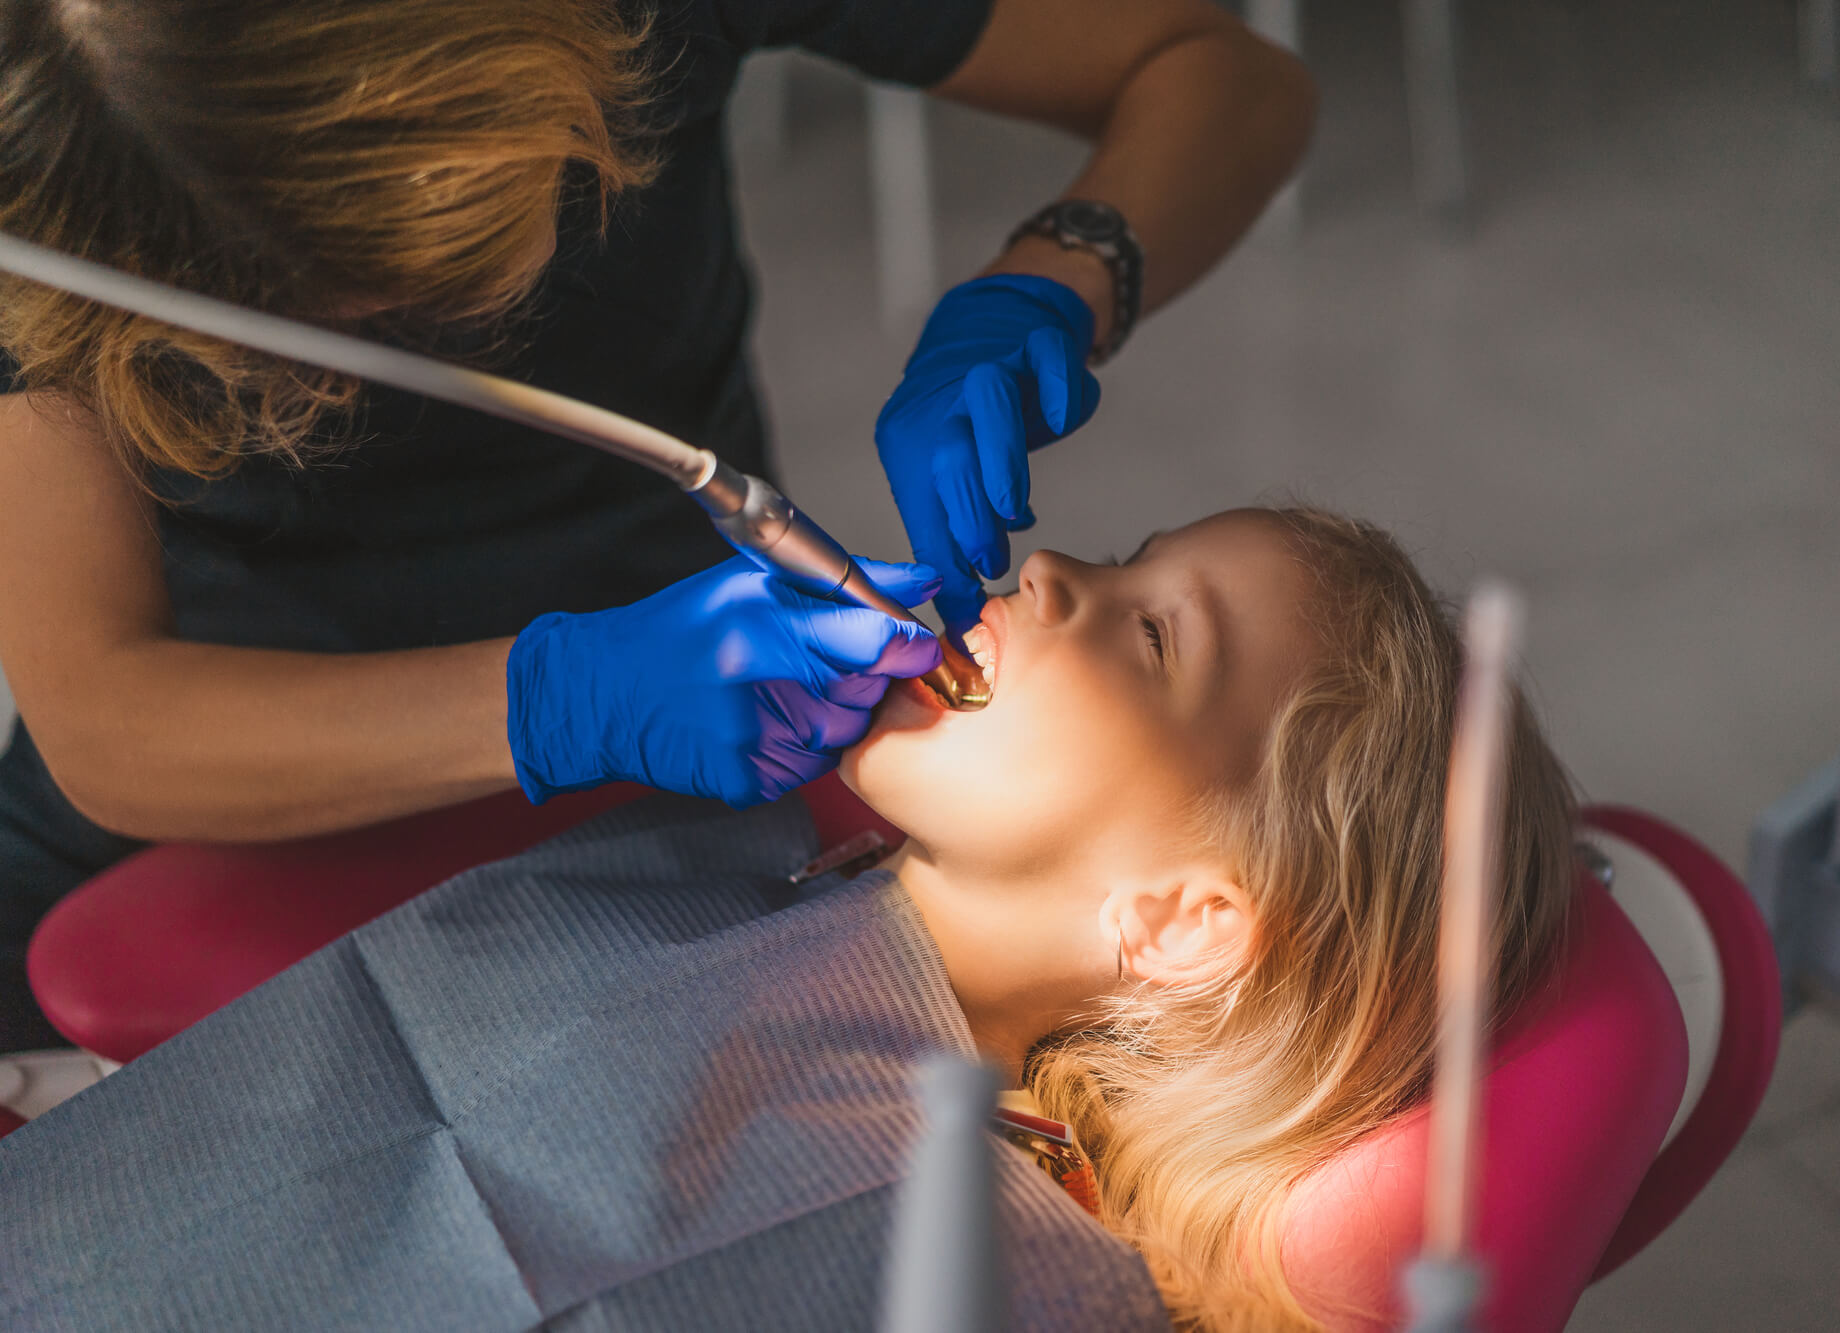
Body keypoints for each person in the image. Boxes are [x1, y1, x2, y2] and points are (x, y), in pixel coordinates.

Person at [0, 0, 1319, 1050]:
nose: (330, 387)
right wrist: (552, 700)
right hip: (207, 802)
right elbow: (104, 722)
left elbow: (1225, 76)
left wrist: (1056, 276)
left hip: (686, 769)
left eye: (383, 299)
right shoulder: (51, 146)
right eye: (259, 342)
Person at [0, 506, 1577, 1331]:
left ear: (1178, 923)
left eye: (1153, 630)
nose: (1044, 566)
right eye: (1120, 550)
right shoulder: (723, 850)